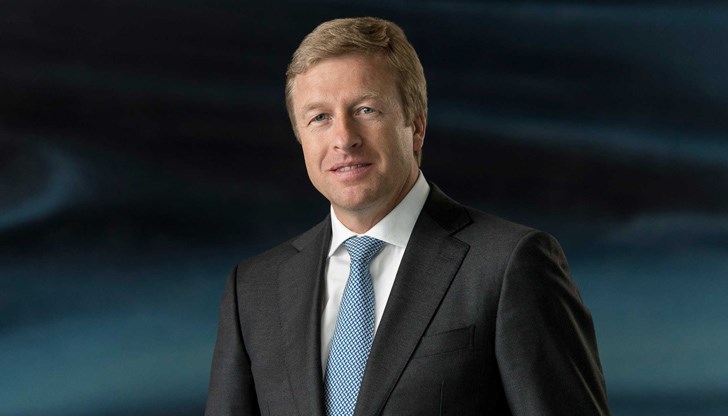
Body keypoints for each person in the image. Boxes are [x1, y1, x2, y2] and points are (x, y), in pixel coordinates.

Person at [205, 16, 610, 416]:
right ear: (301, 138)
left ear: (416, 127)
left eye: (366, 110)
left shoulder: (509, 266)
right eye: (320, 118)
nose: (343, 138)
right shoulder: (253, 291)